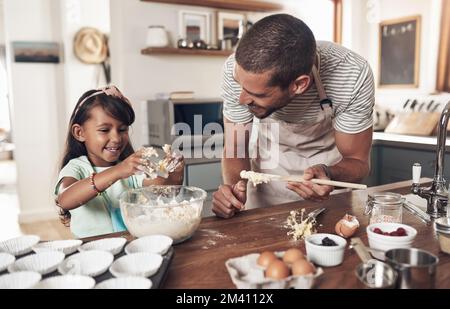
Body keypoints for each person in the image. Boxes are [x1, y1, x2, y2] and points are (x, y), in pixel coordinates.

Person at [212, 14, 374, 218]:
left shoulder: (352, 74)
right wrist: (233, 192)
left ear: (299, 85)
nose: (242, 100)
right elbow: (236, 147)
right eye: (240, 86)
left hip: (330, 192)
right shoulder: (235, 69)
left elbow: (358, 161)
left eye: (257, 94)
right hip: (266, 184)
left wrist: (329, 174)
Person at [55, 86, 184, 238]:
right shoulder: (77, 167)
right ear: (79, 133)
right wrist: (117, 171)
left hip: (129, 243)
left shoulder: (130, 169)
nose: (116, 138)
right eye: (104, 130)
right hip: (93, 250)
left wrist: (175, 173)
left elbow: (161, 190)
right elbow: (65, 200)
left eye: (122, 129)